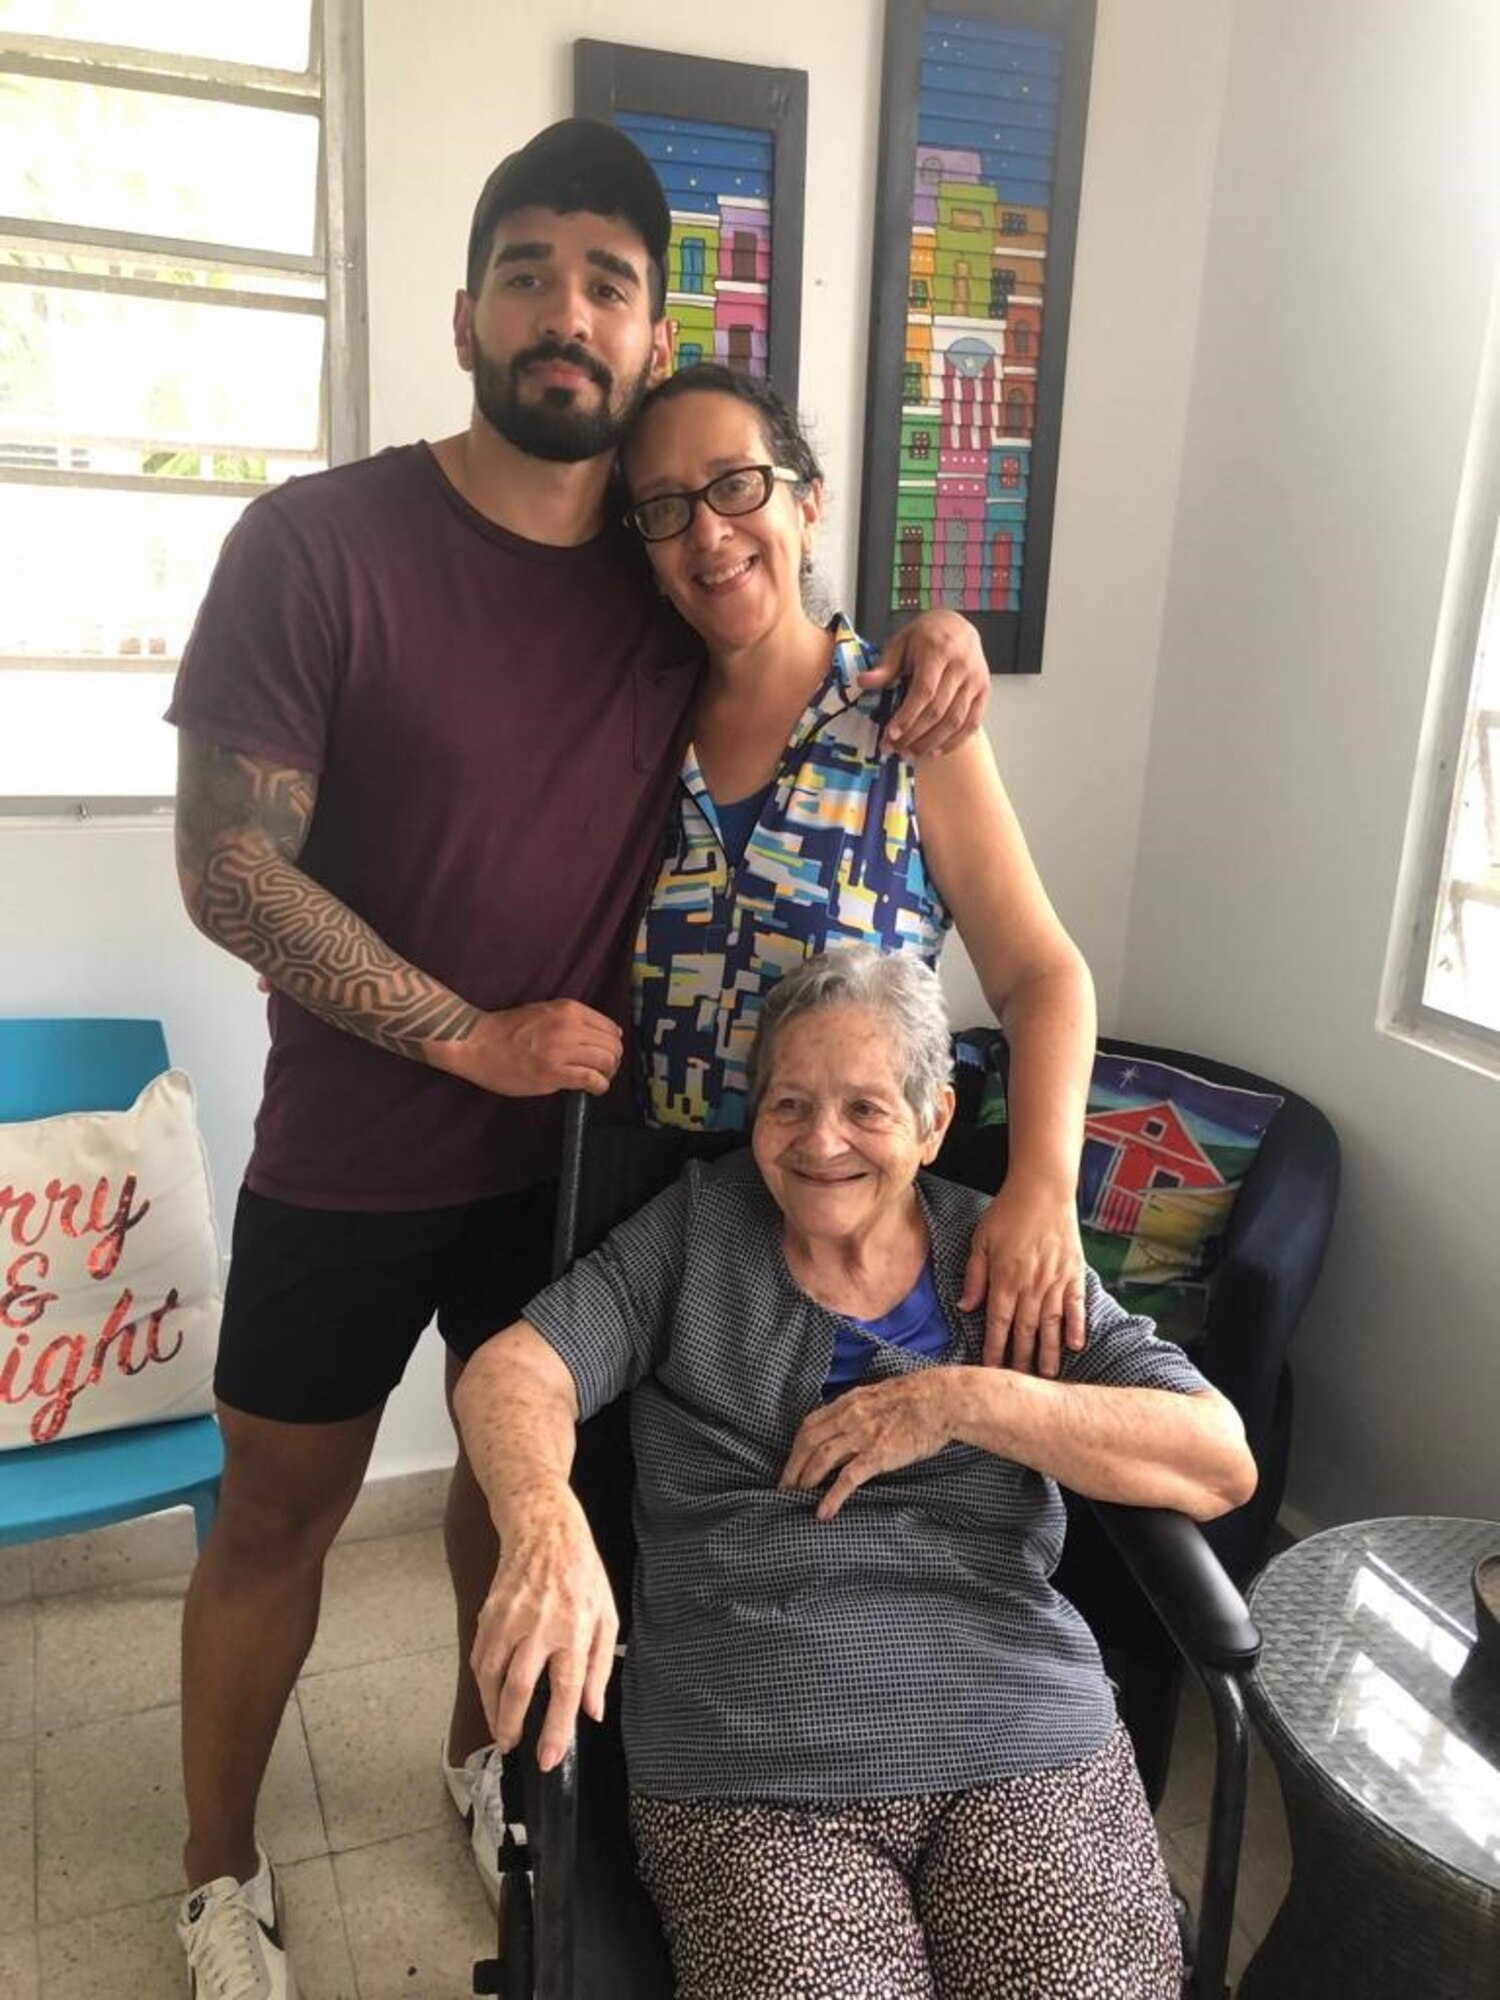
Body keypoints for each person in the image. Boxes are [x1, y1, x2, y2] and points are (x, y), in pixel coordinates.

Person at [166, 118, 993, 2000]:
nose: (568, 308)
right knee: (279, 1522)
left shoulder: (652, 568)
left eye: (609, 281)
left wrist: (930, 633)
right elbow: (228, 863)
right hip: (352, 1152)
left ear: (643, 340)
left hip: (585, 1175)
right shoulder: (319, 543)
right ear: (466, 317)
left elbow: (781, 605)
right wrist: (463, 1033)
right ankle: (218, 1876)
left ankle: (480, 1760)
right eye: (530, 269)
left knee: (503, 1489)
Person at [456, 946, 1257, 2000]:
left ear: (932, 1121)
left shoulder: (1003, 1262)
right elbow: (512, 1371)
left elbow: (1219, 1456)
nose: (821, 1140)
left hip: (1015, 1731)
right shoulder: (696, 1232)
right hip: (756, 1763)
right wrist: (544, 1517)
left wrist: (965, 1397)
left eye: (866, 1108)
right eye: (790, 1102)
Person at [622, 364, 1097, 1377]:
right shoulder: (629, 734)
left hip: (855, 1244)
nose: (707, 531)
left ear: (808, 499)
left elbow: (1041, 976)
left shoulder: (911, 722)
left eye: (735, 483)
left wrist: (1042, 1187)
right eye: (665, 508)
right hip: (669, 1240)